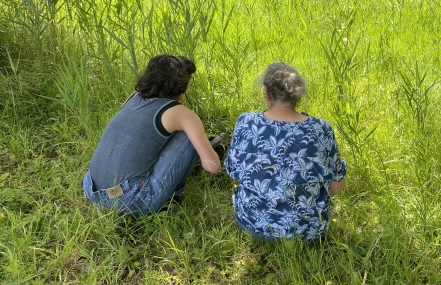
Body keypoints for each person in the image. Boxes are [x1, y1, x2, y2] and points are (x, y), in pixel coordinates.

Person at [82, 54, 221, 217]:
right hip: (129, 201)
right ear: (182, 83)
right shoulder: (182, 114)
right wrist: (206, 152)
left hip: (91, 188)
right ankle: (173, 196)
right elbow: (213, 166)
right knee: (188, 137)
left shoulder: (133, 97)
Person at [225, 62, 347, 240]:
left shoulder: (246, 122)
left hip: (253, 225)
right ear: (298, 95)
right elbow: (336, 187)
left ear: (267, 92)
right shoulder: (321, 128)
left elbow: (233, 170)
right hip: (309, 232)